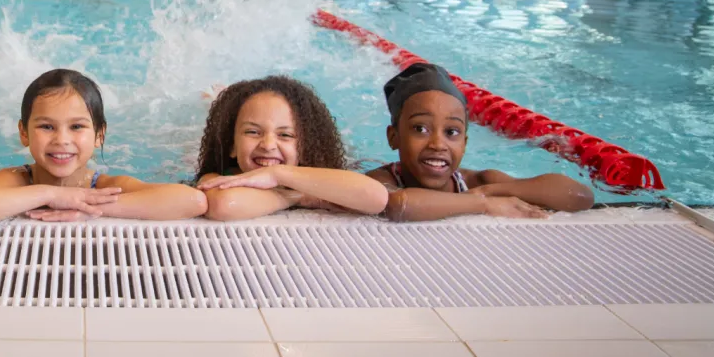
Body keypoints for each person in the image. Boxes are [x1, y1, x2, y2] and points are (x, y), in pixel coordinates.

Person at [0, 69, 207, 226]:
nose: (61, 140)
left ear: (99, 135)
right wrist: (47, 195)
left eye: (77, 127)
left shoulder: (104, 187)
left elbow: (192, 200)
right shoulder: (16, 180)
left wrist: (84, 206)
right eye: (46, 127)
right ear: (23, 133)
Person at [364, 63, 596, 221]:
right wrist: (484, 203)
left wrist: (490, 190)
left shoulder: (478, 181)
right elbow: (399, 205)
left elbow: (579, 196)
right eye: (420, 128)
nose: (438, 143)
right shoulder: (380, 180)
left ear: (464, 143)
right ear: (393, 137)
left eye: (451, 132)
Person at [195, 76, 389, 220]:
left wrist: (278, 175)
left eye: (285, 135)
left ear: (306, 147)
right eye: (253, 132)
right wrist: (296, 196)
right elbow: (225, 204)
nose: (268, 145)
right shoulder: (223, 177)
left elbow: (376, 198)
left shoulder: (324, 177)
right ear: (232, 146)